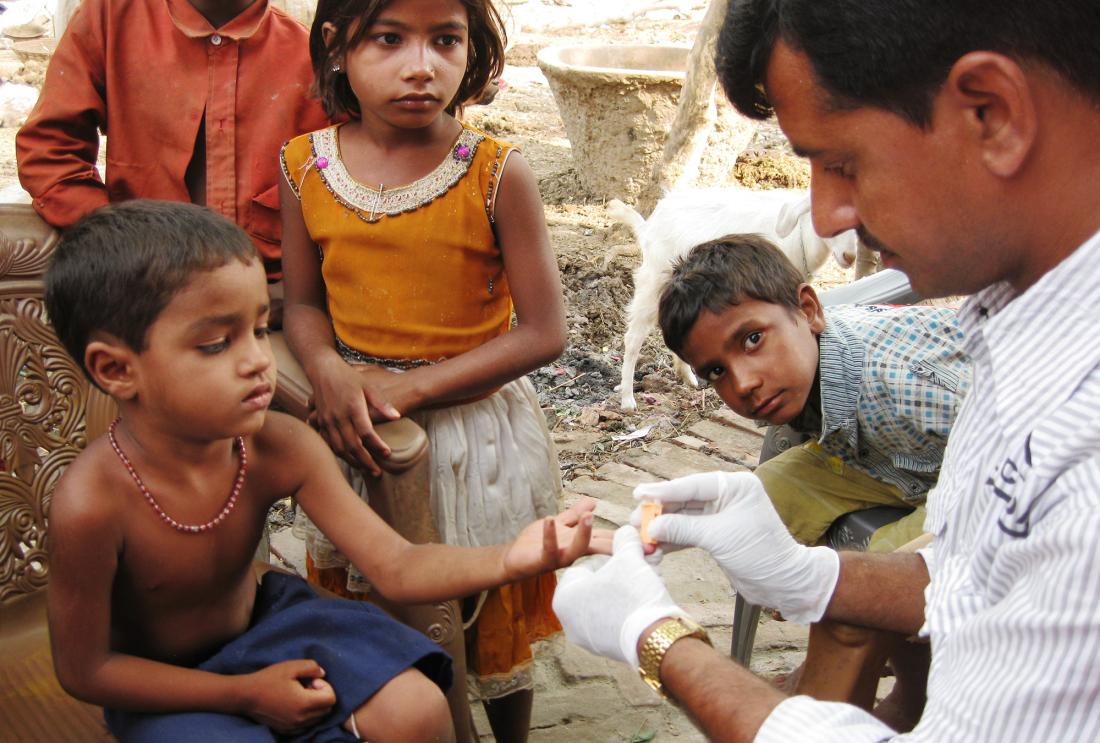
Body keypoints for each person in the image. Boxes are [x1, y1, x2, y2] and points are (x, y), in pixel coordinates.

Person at [552, 0, 1100, 740]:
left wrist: (655, 639)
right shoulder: (1019, 331)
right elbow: (981, 573)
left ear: (992, 114)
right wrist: (810, 575)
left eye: (840, 162)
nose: (829, 212)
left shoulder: (1083, 453)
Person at [43, 199, 602, 743]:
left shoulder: (275, 446)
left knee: (417, 709)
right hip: (164, 684)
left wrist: (511, 557)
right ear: (116, 370)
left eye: (260, 329)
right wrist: (243, 695)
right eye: (217, 344)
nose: (258, 360)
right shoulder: (93, 504)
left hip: (269, 630)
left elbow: (399, 565)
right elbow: (86, 670)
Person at [278, 1, 566, 741]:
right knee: (374, 592)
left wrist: (410, 388)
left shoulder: (496, 173)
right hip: (360, 429)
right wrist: (327, 371)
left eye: (446, 40)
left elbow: (543, 332)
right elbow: (303, 305)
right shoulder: (304, 165)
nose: (420, 65)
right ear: (339, 49)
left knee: (487, 606)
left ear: (472, 53)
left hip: (473, 437)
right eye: (389, 39)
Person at [658, 235, 968, 553]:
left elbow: (1014, 458)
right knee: (759, 497)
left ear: (808, 310)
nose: (743, 384)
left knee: (883, 561)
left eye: (752, 339)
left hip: (981, 478)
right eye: (716, 371)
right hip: (888, 462)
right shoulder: (802, 366)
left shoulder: (906, 385)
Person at [15, 0, 330, 285]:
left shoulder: (310, 60)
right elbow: (49, 152)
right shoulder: (110, 19)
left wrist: (293, 298)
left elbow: (342, 195)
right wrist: (121, 243)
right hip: (141, 289)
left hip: (264, 305)